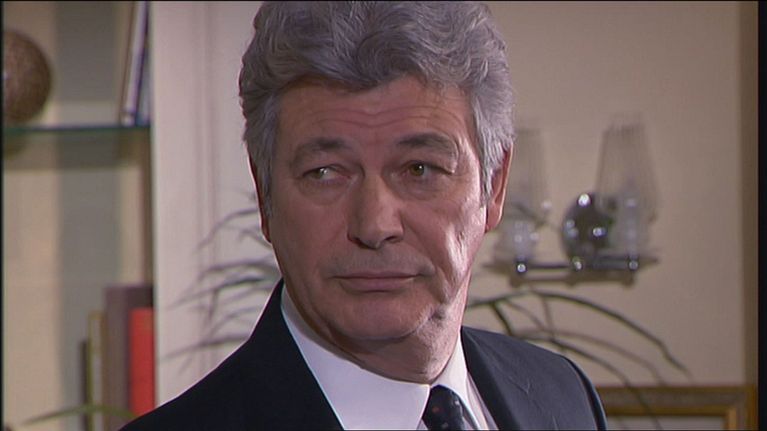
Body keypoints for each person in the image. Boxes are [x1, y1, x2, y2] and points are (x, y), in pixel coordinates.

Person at [123, 2, 606, 430]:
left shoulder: (563, 395)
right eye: (325, 173)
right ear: (265, 193)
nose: (374, 226)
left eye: (419, 169)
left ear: (494, 186)